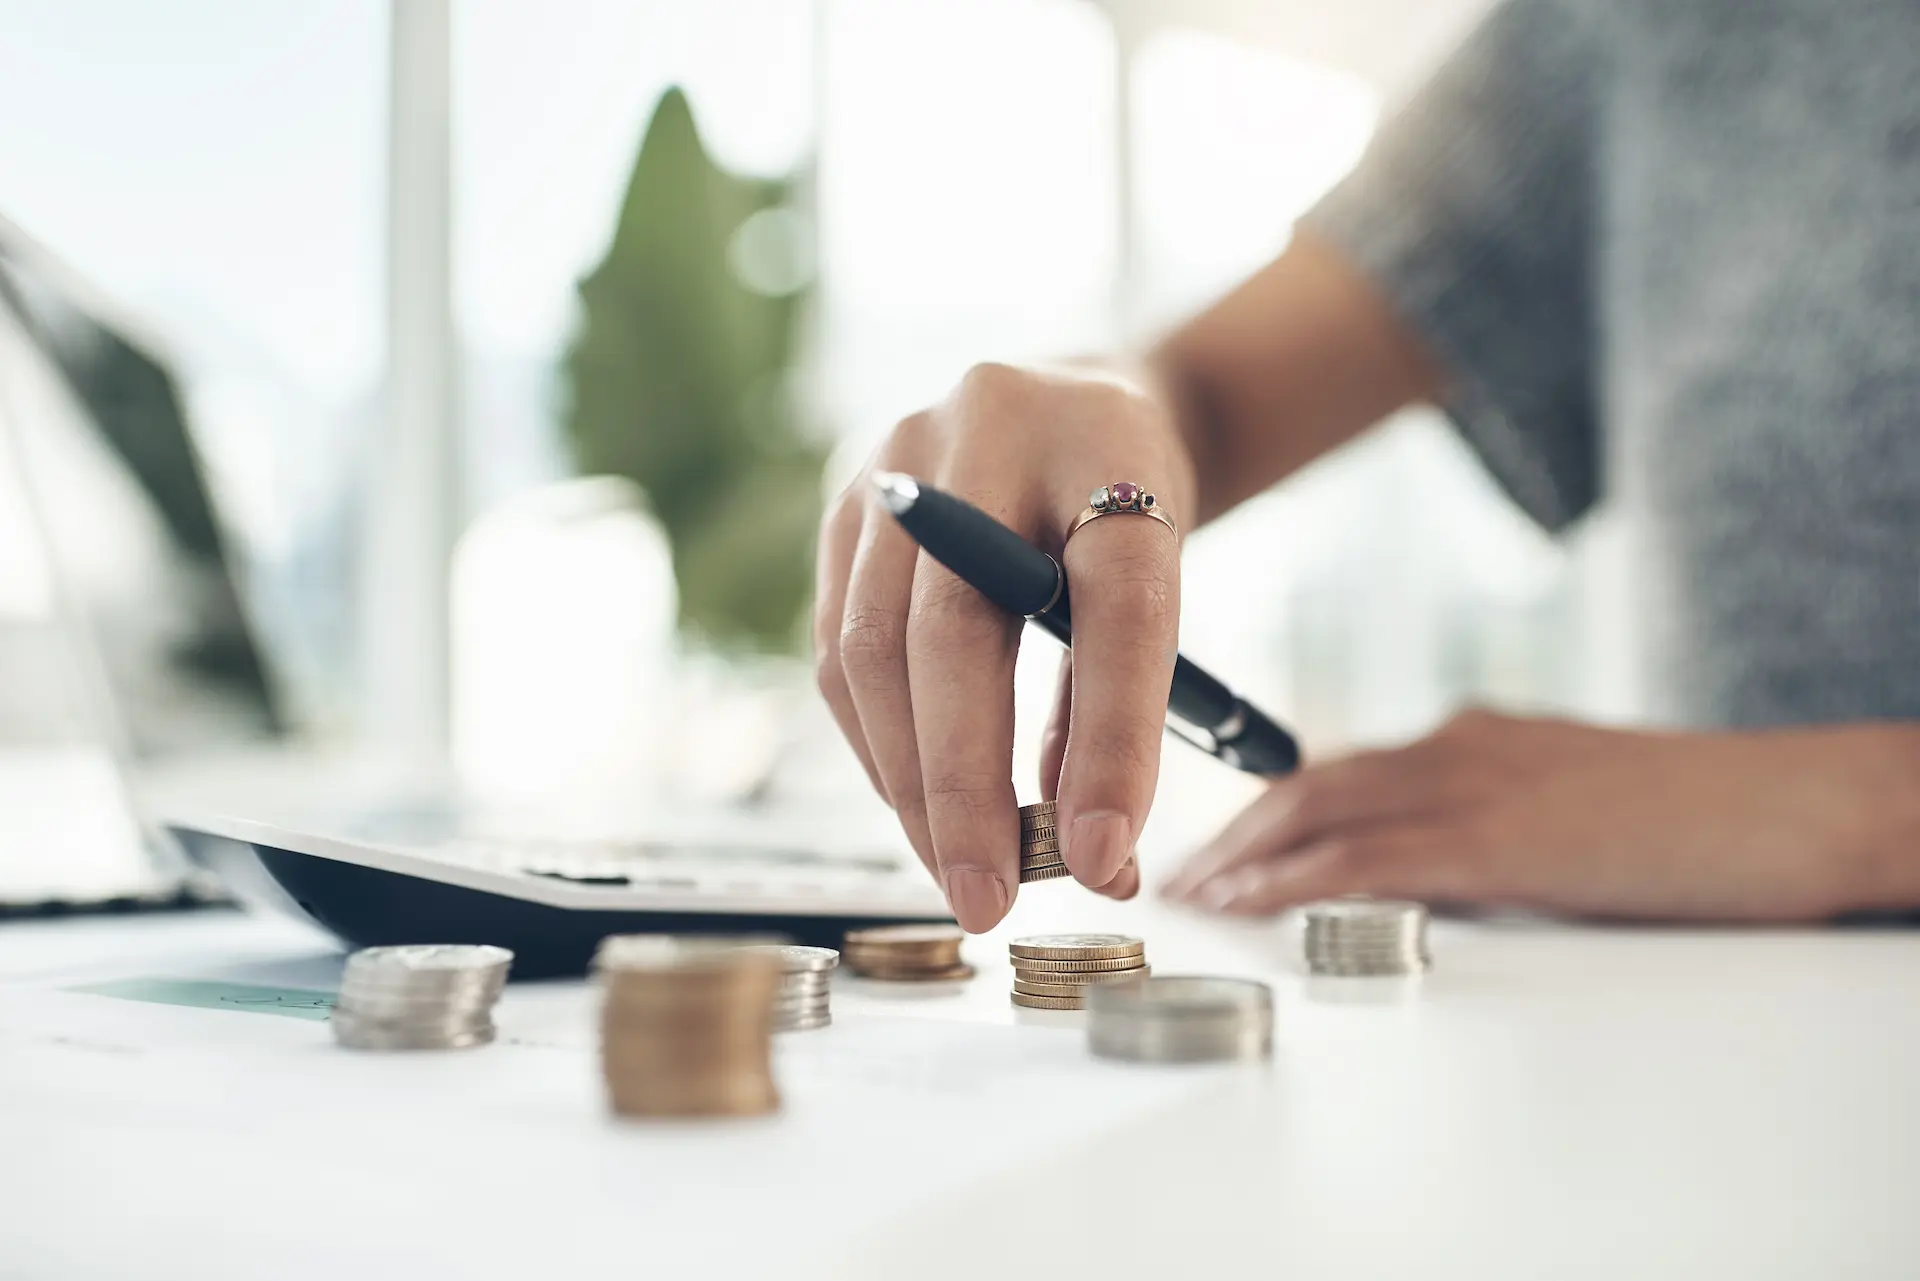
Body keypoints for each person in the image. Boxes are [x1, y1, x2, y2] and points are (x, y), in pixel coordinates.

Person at [811, 0, 1920, 934]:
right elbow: (1207, 393)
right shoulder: (1643, 27)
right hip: (1722, 1056)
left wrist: (1854, 806)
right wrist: (1097, 412)